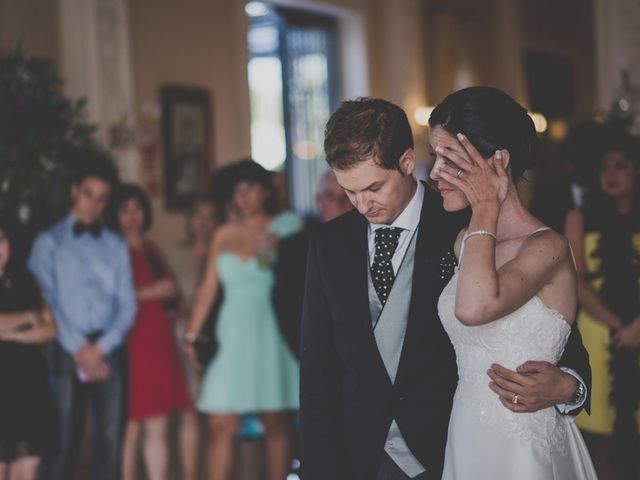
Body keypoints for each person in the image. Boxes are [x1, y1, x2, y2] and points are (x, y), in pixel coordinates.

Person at [300, 96, 591, 480]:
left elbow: (554, 333)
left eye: (372, 187)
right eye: (348, 191)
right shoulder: (327, 244)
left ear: (405, 162)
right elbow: (317, 369)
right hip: (359, 456)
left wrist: (572, 386)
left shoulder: (466, 224)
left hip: (447, 449)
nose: (361, 204)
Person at [428, 86, 596, 479]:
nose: (434, 173)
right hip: (466, 435)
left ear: (498, 161)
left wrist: (486, 205)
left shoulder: (547, 247)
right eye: (434, 156)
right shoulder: (458, 242)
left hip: (523, 445)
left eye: (449, 158)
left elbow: (474, 308)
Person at [185, 160, 301, 480]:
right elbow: (207, 289)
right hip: (231, 334)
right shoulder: (224, 233)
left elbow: (300, 282)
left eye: (249, 189)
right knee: (220, 423)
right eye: (236, 192)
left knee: (275, 421)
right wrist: (192, 336)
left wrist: (283, 249)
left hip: (271, 332)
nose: (242, 197)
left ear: (265, 190)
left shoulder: (288, 227)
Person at [28, 160, 137, 480]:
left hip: (110, 349)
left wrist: (100, 348)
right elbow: (47, 301)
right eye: (89, 194)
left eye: (102, 197)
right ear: (75, 192)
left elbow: (127, 303)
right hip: (66, 348)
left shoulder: (115, 245)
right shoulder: (48, 242)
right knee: (62, 442)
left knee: (111, 443)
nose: (95, 204)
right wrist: (79, 348)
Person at [565, 126, 640, 480]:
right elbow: (577, 281)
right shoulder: (579, 217)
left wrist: (637, 326)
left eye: (620, 166)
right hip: (599, 332)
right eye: (604, 167)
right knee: (601, 439)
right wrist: (617, 325)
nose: (610, 175)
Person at [110, 184, 192, 480]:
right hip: (132, 340)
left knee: (158, 423)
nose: (133, 216)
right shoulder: (112, 248)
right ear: (114, 215)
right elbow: (105, 298)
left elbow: (170, 289)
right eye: (125, 210)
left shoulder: (151, 248)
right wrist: (151, 291)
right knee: (130, 426)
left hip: (159, 337)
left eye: (137, 209)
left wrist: (172, 303)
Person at [165, 196, 219, 480]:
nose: (203, 223)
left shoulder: (224, 250)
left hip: (221, 338)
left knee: (221, 415)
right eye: (198, 215)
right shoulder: (173, 255)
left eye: (210, 216)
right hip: (184, 337)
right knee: (190, 409)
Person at [0, 214, 58, 480]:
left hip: (28, 383)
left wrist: (13, 336)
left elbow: (52, 328)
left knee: (29, 466)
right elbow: (37, 319)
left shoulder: (25, 280)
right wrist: (29, 317)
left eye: (0, 239)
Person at [274, 170, 353, 357]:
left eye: (349, 196)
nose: (344, 206)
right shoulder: (294, 249)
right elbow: (288, 312)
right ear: (320, 201)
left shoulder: (374, 240)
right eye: (332, 197)